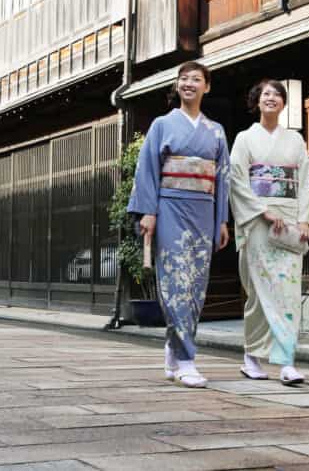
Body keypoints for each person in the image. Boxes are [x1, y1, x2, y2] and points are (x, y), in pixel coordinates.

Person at [127, 61, 230, 388]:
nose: (189, 84)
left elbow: (223, 178)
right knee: (174, 283)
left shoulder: (215, 131)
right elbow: (147, 170)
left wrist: (222, 220)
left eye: (196, 79)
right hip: (169, 209)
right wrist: (148, 211)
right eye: (183, 78)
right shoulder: (162, 124)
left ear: (206, 87)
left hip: (203, 211)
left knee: (196, 288)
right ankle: (186, 359)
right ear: (177, 85)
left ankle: (174, 347)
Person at [228, 79, 309, 385]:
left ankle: (287, 362)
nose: (272, 98)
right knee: (260, 293)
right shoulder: (244, 138)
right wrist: (261, 211)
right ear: (257, 100)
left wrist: (305, 219)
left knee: (288, 293)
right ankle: (251, 357)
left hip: (289, 222)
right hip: (257, 222)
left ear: (283, 103)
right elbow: (237, 180)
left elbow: (304, 180)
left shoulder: (295, 140)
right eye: (266, 93)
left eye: (278, 95)